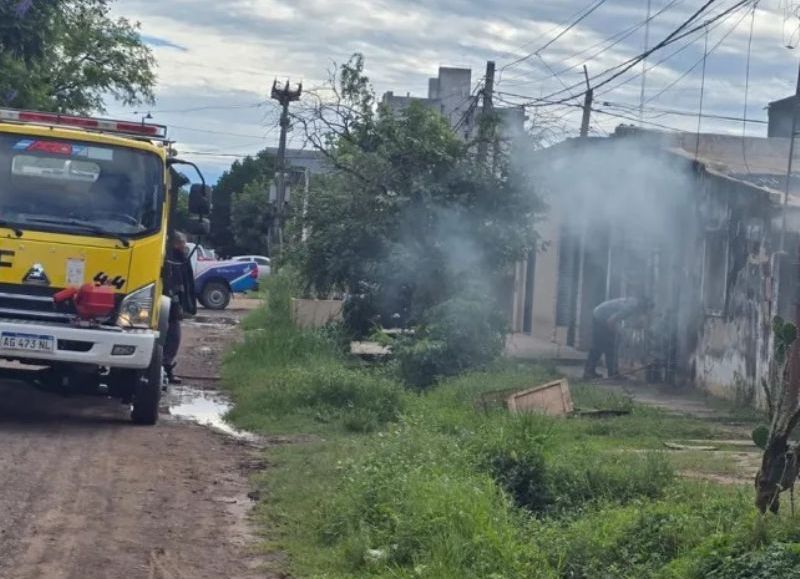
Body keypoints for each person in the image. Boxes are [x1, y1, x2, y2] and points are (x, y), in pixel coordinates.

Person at [584, 296, 651, 380]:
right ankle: (608, 374)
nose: (643, 313)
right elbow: (611, 321)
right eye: (645, 310)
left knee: (605, 346)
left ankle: (595, 372)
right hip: (600, 318)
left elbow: (619, 321)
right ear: (642, 306)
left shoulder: (633, 303)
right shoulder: (630, 307)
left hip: (601, 316)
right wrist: (619, 333)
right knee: (605, 346)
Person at [163, 231, 196, 385]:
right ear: (176, 243)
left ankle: (166, 368)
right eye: (182, 243)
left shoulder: (179, 258)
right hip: (169, 303)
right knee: (172, 337)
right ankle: (165, 367)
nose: (184, 246)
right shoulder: (172, 258)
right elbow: (175, 282)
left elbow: (186, 281)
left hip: (173, 304)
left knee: (172, 337)